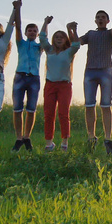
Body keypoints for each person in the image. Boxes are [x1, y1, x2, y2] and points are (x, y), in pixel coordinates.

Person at [80, 0, 112, 155]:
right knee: (89, 106)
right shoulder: (90, 34)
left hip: (105, 71)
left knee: (106, 106)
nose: (100, 19)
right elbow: (76, 42)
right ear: (95, 21)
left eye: (103, 17)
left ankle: (107, 139)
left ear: (107, 20)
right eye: (98, 17)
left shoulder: (110, 34)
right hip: (90, 72)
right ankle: (91, 137)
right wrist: (71, 30)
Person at [39, 17, 81, 151]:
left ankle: (64, 143)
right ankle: (49, 143)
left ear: (65, 40)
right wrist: (45, 23)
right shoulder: (49, 50)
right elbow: (42, 38)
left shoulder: (69, 52)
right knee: (48, 114)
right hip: (50, 85)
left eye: (61, 37)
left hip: (64, 86)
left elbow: (76, 44)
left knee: (63, 113)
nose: (58, 38)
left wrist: (71, 29)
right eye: (56, 36)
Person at [11, 3, 43, 152]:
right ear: (25, 33)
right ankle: (18, 138)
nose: (32, 32)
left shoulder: (39, 47)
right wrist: (18, 8)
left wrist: (46, 24)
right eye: (29, 30)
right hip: (20, 77)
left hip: (34, 78)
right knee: (17, 109)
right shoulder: (21, 44)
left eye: (34, 31)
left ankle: (27, 137)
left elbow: (44, 36)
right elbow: (17, 26)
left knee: (31, 109)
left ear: (37, 34)